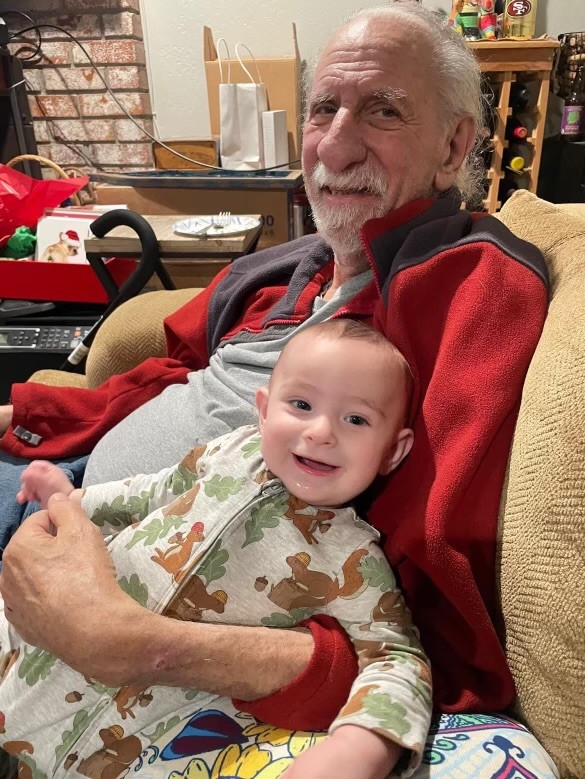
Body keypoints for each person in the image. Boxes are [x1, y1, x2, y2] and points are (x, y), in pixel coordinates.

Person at [0, 0, 549, 773]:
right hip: (67, 487)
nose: (335, 140)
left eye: (383, 110)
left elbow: (419, 603)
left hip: (127, 557)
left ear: (453, 144)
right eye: (324, 107)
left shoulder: (465, 284)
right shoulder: (298, 268)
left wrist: (141, 641)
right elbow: (169, 375)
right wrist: (27, 415)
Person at [3, 321, 430, 778]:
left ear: (393, 452)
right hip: (35, 663)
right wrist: (71, 501)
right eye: (301, 404)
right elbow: (149, 493)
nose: (322, 431)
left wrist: (360, 747)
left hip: (130, 743)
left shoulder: (355, 559)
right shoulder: (228, 452)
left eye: (356, 419)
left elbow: (395, 658)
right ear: (263, 411)